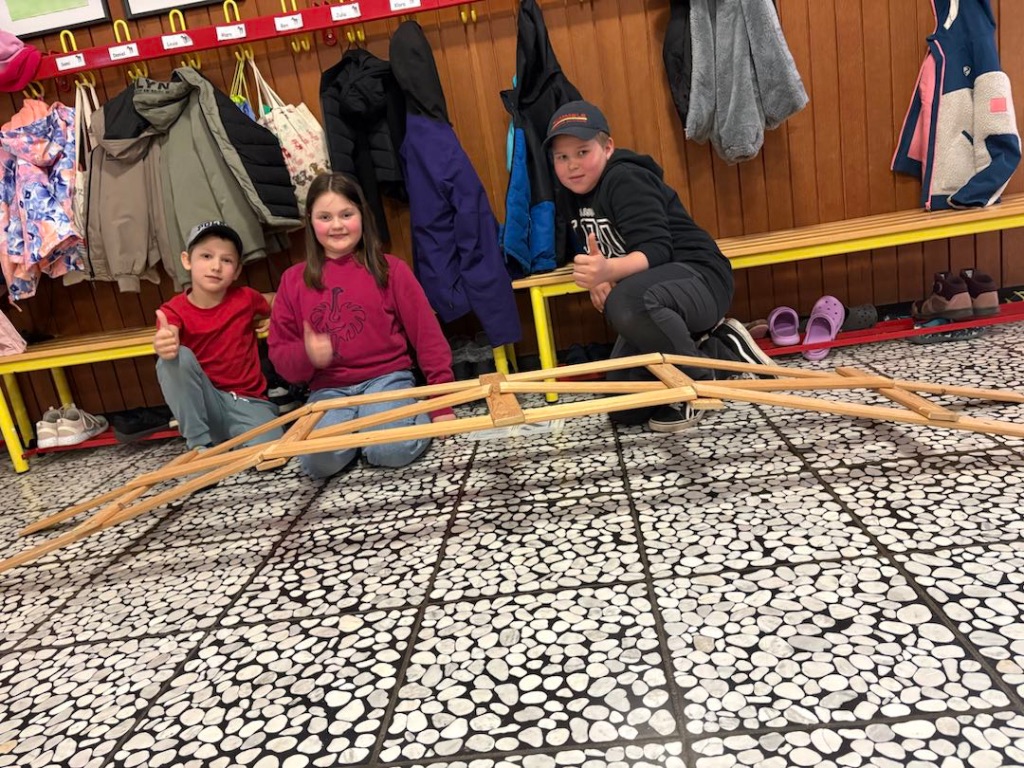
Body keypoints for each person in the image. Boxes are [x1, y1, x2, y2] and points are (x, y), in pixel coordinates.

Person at [545, 99, 775, 433]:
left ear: (607, 148)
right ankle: (723, 351)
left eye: (582, 152)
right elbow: (593, 245)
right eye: (561, 157)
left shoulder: (625, 178)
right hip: (657, 296)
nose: (572, 165)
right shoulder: (571, 194)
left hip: (700, 278)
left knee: (624, 300)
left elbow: (657, 250)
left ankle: (697, 384)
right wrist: (598, 278)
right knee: (625, 407)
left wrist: (608, 273)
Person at [268, 172, 456, 479]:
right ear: (310, 222)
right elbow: (281, 357)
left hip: (387, 381)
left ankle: (403, 415)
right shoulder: (292, 281)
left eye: (346, 214)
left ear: (362, 216)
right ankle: (361, 435)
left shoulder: (391, 269)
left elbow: (428, 336)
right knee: (318, 464)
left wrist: (440, 403)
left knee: (390, 451)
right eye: (325, 217)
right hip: (327, 391)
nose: (337, 225)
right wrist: (307, 355)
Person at [154, 221, 283, 451]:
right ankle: (199, 443)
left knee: (270, 449)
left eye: (226, 260)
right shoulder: (173, 311)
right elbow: (168, 334)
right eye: (206, 256)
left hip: (248, 402)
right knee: (174, 357)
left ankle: (233, 441)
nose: (216, 266)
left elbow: (276, 299)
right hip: (206, 405)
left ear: (237, 271)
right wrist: (164, 343)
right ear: (186, 260)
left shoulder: (246, 298)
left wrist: (277, 318)